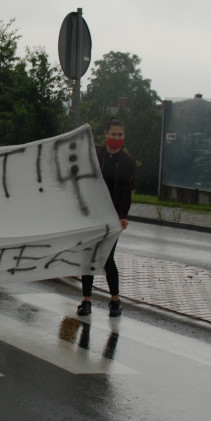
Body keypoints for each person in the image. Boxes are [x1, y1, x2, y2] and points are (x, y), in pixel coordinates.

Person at [77, 118, 135, 318]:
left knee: (107, 257)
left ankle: (115, 300)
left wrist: (123, 215)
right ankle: (86, 300)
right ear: (106, 135)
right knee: (89, 256)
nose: (117, 138)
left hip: (113, 216)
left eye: (120, 135)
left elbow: (127, 191)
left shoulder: (127, 162)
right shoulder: (94, 156)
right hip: (92, 214)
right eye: (114, 134)